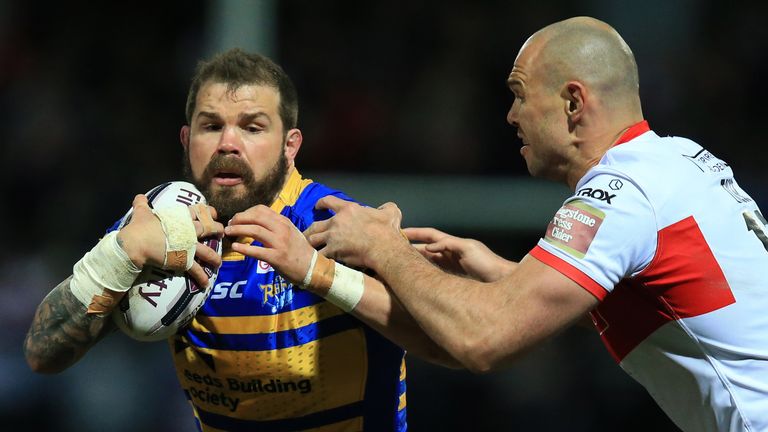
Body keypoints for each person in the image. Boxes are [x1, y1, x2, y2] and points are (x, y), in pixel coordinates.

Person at [289, 16, 768, 432]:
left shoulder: (618, 196)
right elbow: (655, 302)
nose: (511, 115)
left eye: (520, 95)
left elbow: (483, 341)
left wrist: (380, 247)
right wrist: (507, 274)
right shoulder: (680, 158)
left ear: (573, 104)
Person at [23, 48, 457, 431]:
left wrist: (317, 270)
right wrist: (121, 254)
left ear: (290, 146)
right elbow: (44, 353)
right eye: (211, 126)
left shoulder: (337, 224)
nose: (228, 143)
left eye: (252, 128)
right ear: (186, 139)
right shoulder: (159, 226)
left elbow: (452, 344)